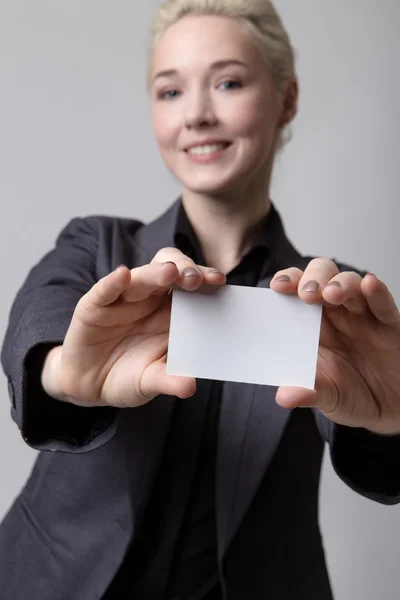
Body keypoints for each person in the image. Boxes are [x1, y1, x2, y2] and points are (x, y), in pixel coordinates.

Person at [1, 0, 400, 598]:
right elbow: (39, 318)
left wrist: (394, 423)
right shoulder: (98, 243)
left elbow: (381, 457)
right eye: (169, 92)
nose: (197, 115)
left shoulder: (336, 298)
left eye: (229, 82)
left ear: (287, 99)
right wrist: (64, 371)